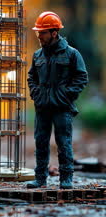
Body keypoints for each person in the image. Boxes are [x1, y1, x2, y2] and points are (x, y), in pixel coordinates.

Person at [27, 11, 88, 189]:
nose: (39, 35)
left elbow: (81, 77)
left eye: (42, 32)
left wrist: (66, 95)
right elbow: (32, 77)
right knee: (40, 142)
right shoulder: (37, 55)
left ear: (54, 33)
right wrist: (36, 94)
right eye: (38, 32)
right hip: (42, 107)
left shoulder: (72, 54)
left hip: (62, 107)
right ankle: (40, 179)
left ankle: (66, 179)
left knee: (64, 142)